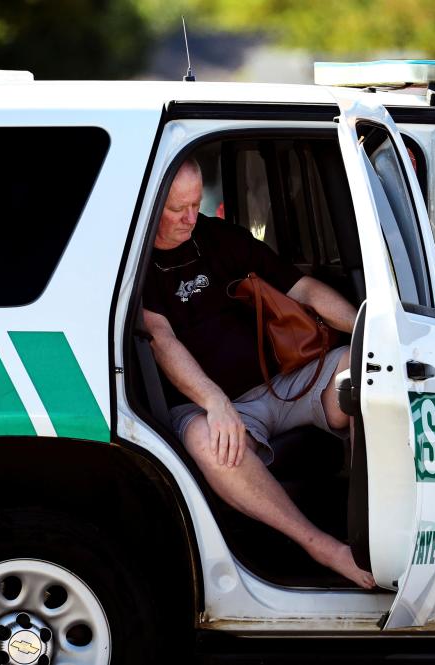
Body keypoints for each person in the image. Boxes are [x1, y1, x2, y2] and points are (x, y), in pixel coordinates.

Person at [142, 158, 375, 589]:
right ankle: (324, 547)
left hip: (279, 385)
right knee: (209, 442)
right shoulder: (136, 261)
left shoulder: (218, 237)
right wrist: (214, 402)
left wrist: (370, 328)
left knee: (366, 370)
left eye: (196, 204)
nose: (191, 218)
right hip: (208, 404)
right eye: (178, 209)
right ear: (152, 204)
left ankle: (374, 534)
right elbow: (161, 339)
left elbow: (300, 288)